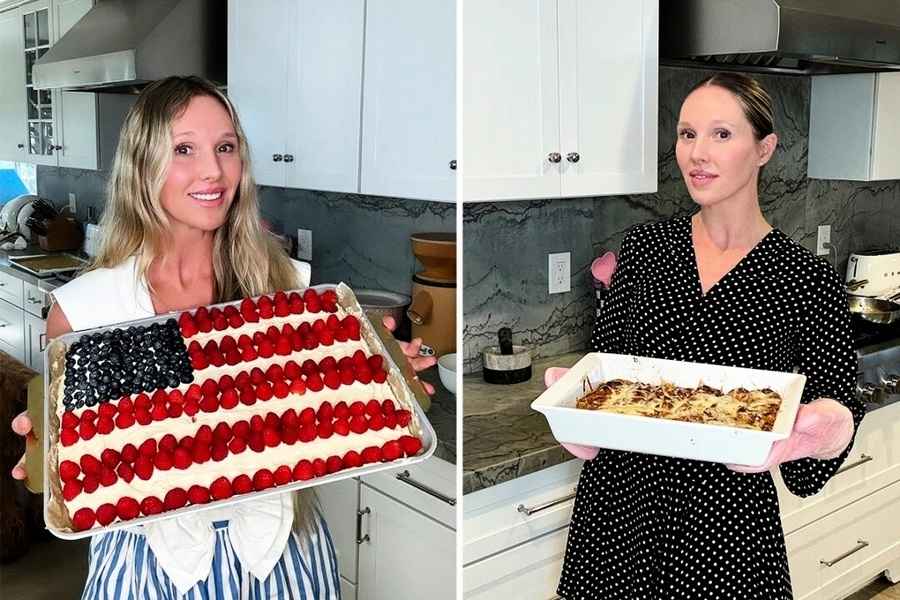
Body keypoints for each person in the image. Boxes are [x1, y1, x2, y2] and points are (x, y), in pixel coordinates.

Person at [9, 75, 436, 599]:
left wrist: (374, 383)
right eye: (184, 149)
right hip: (149, 567)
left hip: (285, 556)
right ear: (142, 166)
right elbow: (99, 459)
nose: (213, 171)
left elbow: (307, 426)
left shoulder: (286, 287)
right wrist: (52, 449)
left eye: (226, 147)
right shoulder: (89, 309)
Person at [544, 73, 864, 599]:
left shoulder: (805, 279)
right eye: (687, 134)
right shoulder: (645, 249)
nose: (697, 154)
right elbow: (604, 367)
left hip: (725, 526)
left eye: (721, 135)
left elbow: (837, 410)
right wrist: (573, 405)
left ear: (764, 149)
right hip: (620, 509)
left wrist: (816, 430)